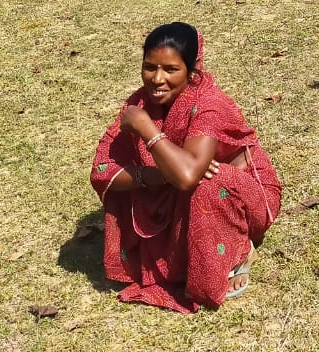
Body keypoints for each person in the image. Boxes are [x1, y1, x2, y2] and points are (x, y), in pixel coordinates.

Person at [90, 22, 281, 313]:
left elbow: (188, 176)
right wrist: (151, 176)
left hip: (243, 195)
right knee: (135, 183)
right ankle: (177, 257)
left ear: (193, 70)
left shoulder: (209, 104)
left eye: (170, 69)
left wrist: (146, 129)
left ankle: (239, 251)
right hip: (173, 190)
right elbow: (103, 169)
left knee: (209, 182)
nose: (157, 79)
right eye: (149, 67)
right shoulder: (140, 102)